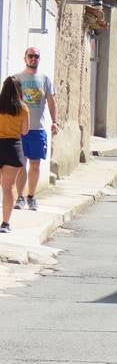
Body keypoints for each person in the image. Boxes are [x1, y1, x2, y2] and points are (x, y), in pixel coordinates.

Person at [14, 47, 58, 212]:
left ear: (39, 59)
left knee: (35, 164)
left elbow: (52, 102)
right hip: (20, 130)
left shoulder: (45, 79)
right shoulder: (17, 78)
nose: (33, 59)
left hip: (38, 129)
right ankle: (19, 197)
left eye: (36, 56)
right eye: (30, 56)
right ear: (25, 58)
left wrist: (55, 121)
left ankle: (31, 197)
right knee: (20, 164)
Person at [0, 77, 29, 233]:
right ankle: (5, 224)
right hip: (13, 147)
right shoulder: (23, 108)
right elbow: (24, 131)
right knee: (8, 188)